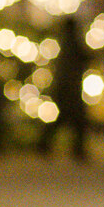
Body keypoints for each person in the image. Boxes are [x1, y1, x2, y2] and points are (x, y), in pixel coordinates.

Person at [36, 12, 91, 162]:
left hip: (64, 88)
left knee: (63, 120)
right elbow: (86, 57)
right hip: (70, 89)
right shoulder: (72, 43)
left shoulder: (62, 42)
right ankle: (76, 151)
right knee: (76, 121)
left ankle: (45, 146)